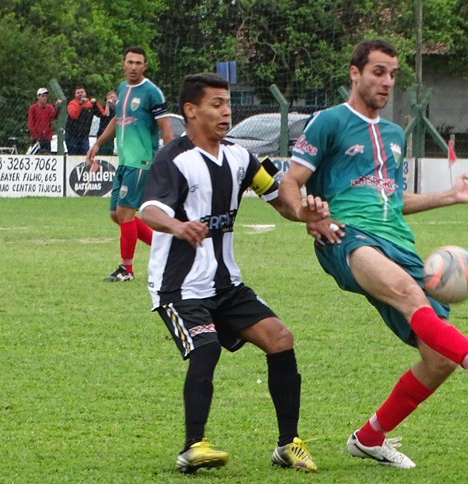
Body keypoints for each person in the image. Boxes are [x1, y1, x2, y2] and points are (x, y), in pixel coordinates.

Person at [278, 39, 468, 470]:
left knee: (437, 360)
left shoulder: (392, 134)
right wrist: (306, 214)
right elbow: (291, 183)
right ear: (355, 73)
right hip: (346, 237)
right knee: (409, 293)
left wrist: (450, 196)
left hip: (398, 243)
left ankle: (370, 437)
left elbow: (393, 198)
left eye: (392, 74)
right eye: (378, 72)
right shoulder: (328, 122)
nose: (387, 82)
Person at [141, 73, 328, 474]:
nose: (226, 111)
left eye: (228, 103)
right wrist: (178, 226)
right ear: (191, 111)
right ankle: (193, 447)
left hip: (226, 283)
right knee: (205, 348)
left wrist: (304, 213)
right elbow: (151, 209)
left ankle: (287, 444)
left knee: (280, 338)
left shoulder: (242, 157)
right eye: (216, 104)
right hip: (179, 287)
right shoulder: (172, 158)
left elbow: (280, 199)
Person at [87, 46, 174, 282]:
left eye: (138, 63)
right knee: (116, 214)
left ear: (145, 66)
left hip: (142, 161)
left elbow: (166, 129)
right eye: (130, 62)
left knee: (126, 213)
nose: (134, 67)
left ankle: (127, 269)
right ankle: (166, 248)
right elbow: (117, 119)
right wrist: (98, 144)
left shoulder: (152, 92)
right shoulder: (123, 88)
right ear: (123, 64)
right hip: (125, 160)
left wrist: (169, 161)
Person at [66, 86, 104, 155]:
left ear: (85, 93)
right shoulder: (72, 104)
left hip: (84, 135)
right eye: (78, 93)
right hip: (72, 135)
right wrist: (80, 104)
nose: (80, 94)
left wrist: (95, 104)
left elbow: (101, 114)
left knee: (84, 155)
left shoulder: (90, 104)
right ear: (75, 95)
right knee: (72, 155)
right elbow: (74, 115)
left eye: (82, 92)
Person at [27, 87, 62, 155]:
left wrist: (57, 106)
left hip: (46, 137)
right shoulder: (33, 108)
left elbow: (54, 115)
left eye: (46, 96)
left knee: (46, 154)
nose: (44, 98)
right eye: (42, 96)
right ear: (38, 97)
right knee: (36, 155)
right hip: (36, 138)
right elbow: (30, 123)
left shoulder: (49, 107)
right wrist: (35, 134)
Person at [96, 90, 117, 156]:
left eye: (114, 97)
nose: (112, 99)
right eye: (111, 97)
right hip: (102, 133)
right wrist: (107, 105)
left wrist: (114, 105)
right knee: (102, 151)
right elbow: (106, 115)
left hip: (111, 135)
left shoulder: (116, 109)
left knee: (110, 150)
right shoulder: (104, 108)